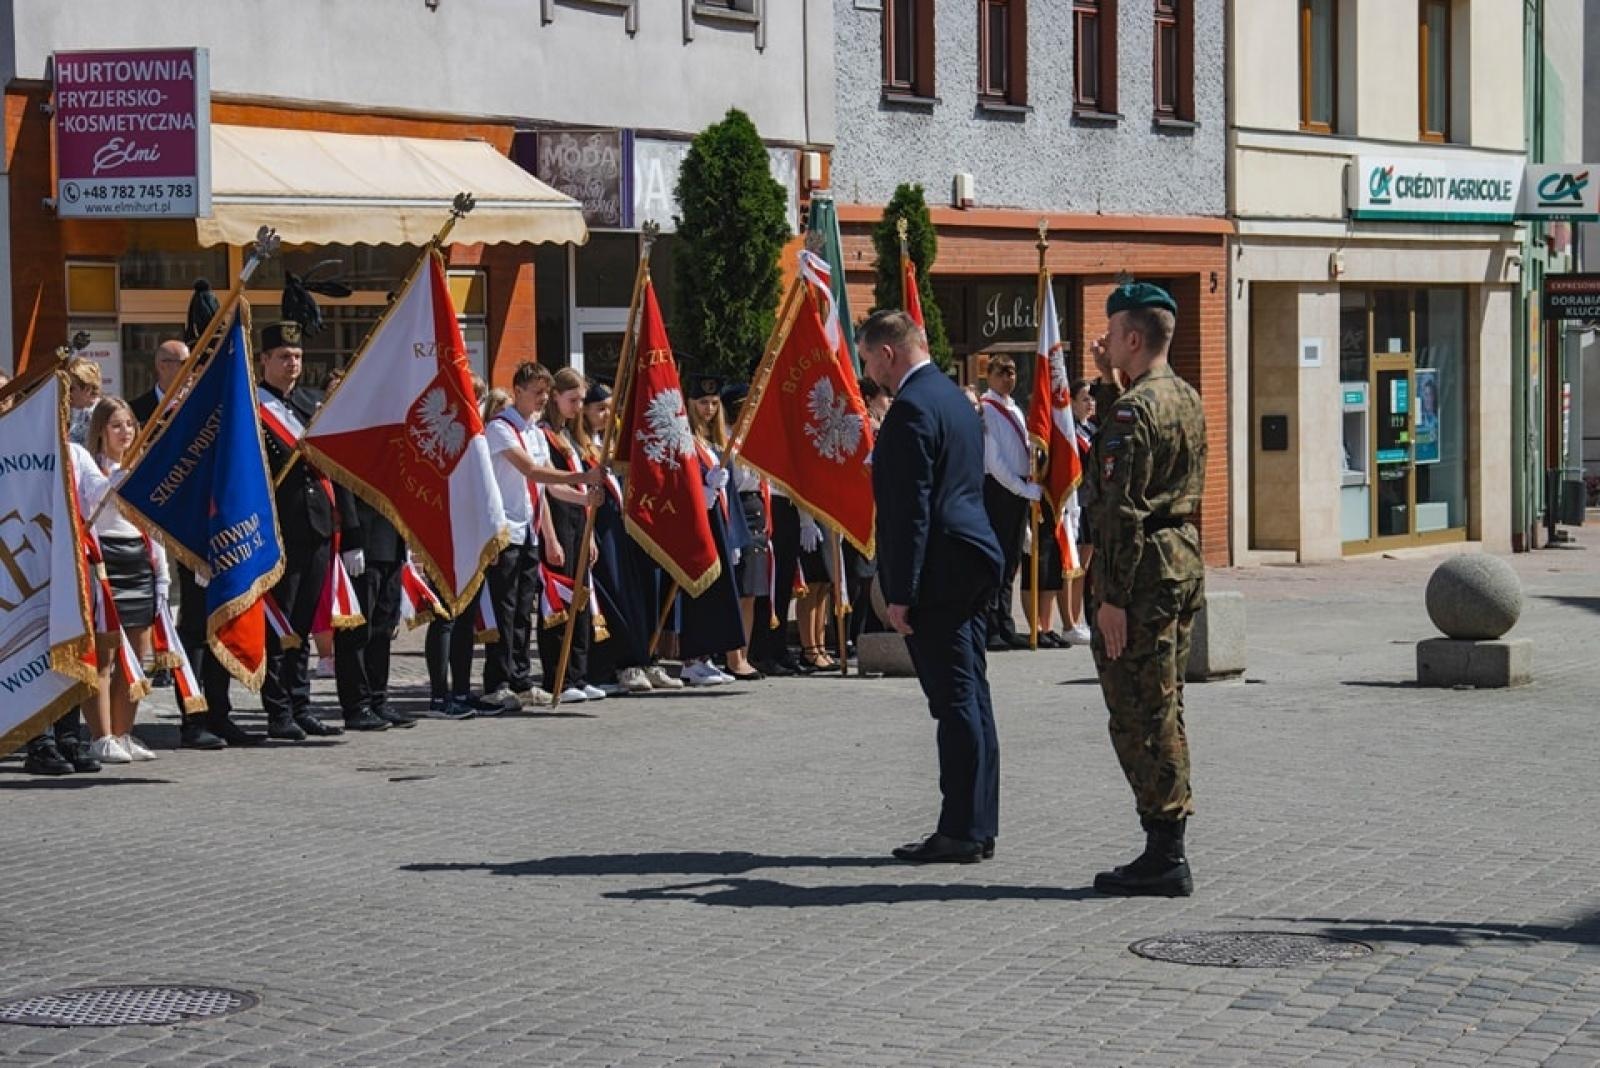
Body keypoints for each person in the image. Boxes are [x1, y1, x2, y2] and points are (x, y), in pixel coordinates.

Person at [858, 310, 1004, 864]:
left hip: (940, 573)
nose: (871, 374)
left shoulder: (913, 408)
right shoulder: (951, 397)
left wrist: (902, 590)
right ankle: (977, 823)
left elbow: (909, 510)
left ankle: (962, 830)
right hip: (970, 561)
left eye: (870, 360)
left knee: (955, 700)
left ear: (889, 353)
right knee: (973, 697)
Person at [1086, 282, 1207, 898]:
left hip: (1141, 575)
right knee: (1167, 701)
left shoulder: (1135, 412)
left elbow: (1121, 510)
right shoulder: (1182, 396)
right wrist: (1109, 382)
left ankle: (1164, 850)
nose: (1103, 342)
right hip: (1179, 560)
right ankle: (1167, 841)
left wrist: (1110, 596)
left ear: (1134, 337)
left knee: (1139, 710)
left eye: (1111, 334)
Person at [256, 319, 365, 739]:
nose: (292, 364)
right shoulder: (253, 409)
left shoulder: (308, 404)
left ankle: (301, 705)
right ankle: (278, 710)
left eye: (298, 357)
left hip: (317, 526)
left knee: (304, 623)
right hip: (281, 528)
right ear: (265, 360)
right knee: (279, 625)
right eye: (284, 357)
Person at [483, 363, 601, 710]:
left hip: (529, 530)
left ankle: (520, 679)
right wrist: (580, 476)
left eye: (545, 393)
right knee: (504, 610)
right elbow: (531, 470)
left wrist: (583, 496)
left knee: (523, 610)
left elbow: (543, 487)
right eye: (536, 392)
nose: (542, 399)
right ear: (517, 390)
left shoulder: (534, 431)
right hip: (506, 529)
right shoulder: (500, 428)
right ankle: (498, 681)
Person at [77, 398, 167, 763]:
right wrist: (117, 478)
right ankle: (101, 736)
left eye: (130, 424)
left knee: (137, 654)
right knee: (104, 655)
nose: (125, 432)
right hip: (105, 559)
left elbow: (156, 524)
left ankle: (124, 733)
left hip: (138, 559)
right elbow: (93, 502)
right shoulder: (89, 468)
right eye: (116, 425)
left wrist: (160, 574)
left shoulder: (146, 467)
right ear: (100, 431)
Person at [976, 353, 1039, 652]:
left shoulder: (1014, 408)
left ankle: (1005, 623)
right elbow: (994, 460)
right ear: (989, 376)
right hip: (1000, 490)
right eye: (1002, 372)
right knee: (996, 559)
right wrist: (1020, 489)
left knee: (1012, 560)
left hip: (1018, 491)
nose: (1008, 377)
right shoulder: (987, 409)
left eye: (1012, 372)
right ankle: (990, 627)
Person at [129, 339, 187, 425]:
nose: (191, 368)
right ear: (161, 366)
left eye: (193, 362)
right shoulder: (135, 410)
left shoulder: (198, 402)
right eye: (184, 363)